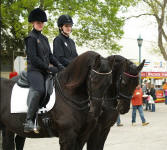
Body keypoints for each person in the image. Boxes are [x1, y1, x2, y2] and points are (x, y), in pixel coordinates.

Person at [24, 8, 64, 133]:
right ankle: (29, 121)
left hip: (45, 71)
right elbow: (34, 58)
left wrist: (60, 66)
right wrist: (49, 67)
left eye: (42, 22)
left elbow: (51, 56)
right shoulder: (30, 38)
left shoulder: (45, 39)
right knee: (39, 90)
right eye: (38, 22)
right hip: (34, 70)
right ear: (33, 23)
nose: (40, 24)